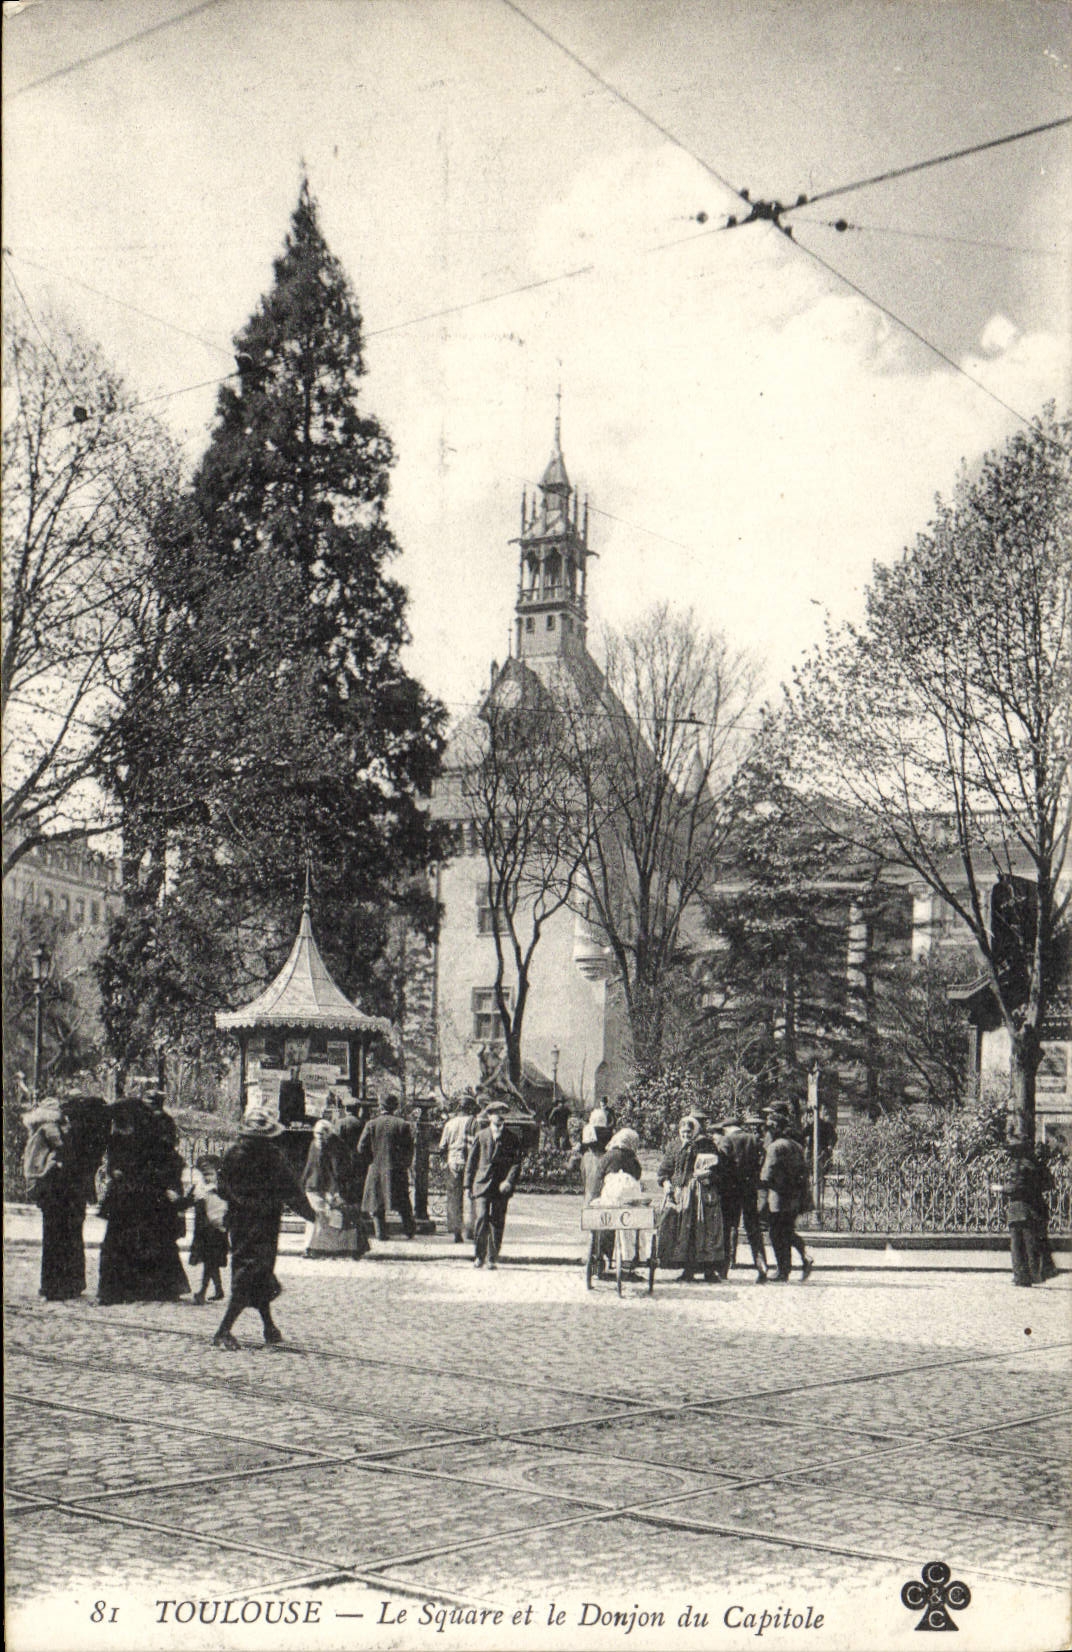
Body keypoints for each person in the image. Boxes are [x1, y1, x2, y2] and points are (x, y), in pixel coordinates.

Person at [213, 1107, 317, 1349]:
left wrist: (237, 1203)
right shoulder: (273, 1156)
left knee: (253, 1272)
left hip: (241, 1223)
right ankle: (223, 1331)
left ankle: (269, 1327)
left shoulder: (233, 1154)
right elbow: (291, 1190)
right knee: (253, 1272)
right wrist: (312, 1215)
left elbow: (221, 1187)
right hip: (265, 1222)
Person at [98, 1097, 190, 1305]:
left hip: (144, 1196)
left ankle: (139, 1288)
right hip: (130, 1196)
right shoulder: (119, 1139)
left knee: (142, 1241)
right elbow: (114, 1163)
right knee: (126, 1241)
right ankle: (123, 1289)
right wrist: (116, 1171)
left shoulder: (151, 1139)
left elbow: (169, 1163)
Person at [23, 1095, 109, 1302]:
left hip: (54, 1190)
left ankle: (54, 1285)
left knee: (54, 1236)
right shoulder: (56, 1129)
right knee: (68, 1235)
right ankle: (68, 1284)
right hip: (62, 1190)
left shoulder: (54, 1128)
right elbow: (64, 1151)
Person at [657, 1113, 725, 1283]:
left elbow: (718, 1168)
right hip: (682, 1193)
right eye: (683, 1132)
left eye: (689, 1132)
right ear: (679, 1132)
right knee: (684, 1231)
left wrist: (709, 1176)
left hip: (703, 1193)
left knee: (705, 1230)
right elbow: (665, 1170)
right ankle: (688, 1270)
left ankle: (709, 1270)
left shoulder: (706, 1145)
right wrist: (666, 1184)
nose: (686, 1135)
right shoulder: (673, 1147)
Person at [713, 1115, 769, 1284]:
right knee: (753, 1229)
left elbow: (721, 1164)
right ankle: (762, 1266)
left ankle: (724, 1268)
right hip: (749, 1189)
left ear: (727, 1128)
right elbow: (762, 1158)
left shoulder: (726, 1141)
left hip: (731, 1191)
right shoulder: (753, 1139)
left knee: (729, 1227)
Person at [465, 1102, 522, 1269]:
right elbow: (471, 1162)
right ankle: (479, 1256)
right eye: (494, 1113)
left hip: (500, 1187)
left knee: (497, 1221)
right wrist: (467, 1185)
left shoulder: (512, 1138)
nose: (498, 1116)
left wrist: (509, 1181)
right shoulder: (481, 1135)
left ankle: (492, 1258)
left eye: (501, 1113)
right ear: (489, 1116)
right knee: (481, 1218)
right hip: (481, 1184)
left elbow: (516, 1163)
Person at [759, 1115, 814, 1282]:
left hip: (778, 1197)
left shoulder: (774, 1147)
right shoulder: (796, 1146)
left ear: (774, 1129)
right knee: (787, 1232)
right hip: (795, 1197)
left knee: (776, 1234)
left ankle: (783, 1270)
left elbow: (767, 1175)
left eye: (768, 1130)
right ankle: (801, 1258)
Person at [591, 1126, 649, 1273]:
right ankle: (631, 1259)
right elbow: (637, 1177)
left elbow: (598, 1178)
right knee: (631, 1228)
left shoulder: (608, 1156)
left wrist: (595, 1198)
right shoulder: (633, 1160)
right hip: (627, 1206)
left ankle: (601, 1258)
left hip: (610, 1202)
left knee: (604, 1227)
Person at [1001, 1124, 1053, 1287]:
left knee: (1018, 1245)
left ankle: (1022, 1276)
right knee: (1031, 1244)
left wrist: (1000, 1188)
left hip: (1020, 1209)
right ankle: (1033, 1275)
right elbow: (1049, 1184)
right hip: (1035, 1209)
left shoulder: (1020, 1166)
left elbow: (1015, 1188)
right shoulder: (1036, 1165)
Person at [359, 1095, 415, 1240]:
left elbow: (361, 1148)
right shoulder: (403, 1124)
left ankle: (380, 1233)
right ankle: (409, 1231)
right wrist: (403, 1164)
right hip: (397, 1169)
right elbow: (409, 1150)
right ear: (395, 1107)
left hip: (376, 1168)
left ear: (380, 1106)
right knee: (403, 1201)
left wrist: (372, 1161)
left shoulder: (371, 1124)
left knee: (377, 1202)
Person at [188, 1155, 229, 1303]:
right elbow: (187, 1201)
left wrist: (225, 1223)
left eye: (210, 1174)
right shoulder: (198, 1188)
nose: (207, 1177)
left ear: (217, 1173)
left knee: (210, 1261)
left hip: (216, 1230)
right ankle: (219, 1290)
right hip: (202, 1231)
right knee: (210, 1261)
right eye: (204, 1174)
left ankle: (202, 1293)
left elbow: (229, 1208)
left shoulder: (221, 1189)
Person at [438, 1093, 477, 1242]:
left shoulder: (450, 1123)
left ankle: (456, 1231)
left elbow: (442, 1146)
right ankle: (470, 1230)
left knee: (454, 1197)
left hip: (453, 1162)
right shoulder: (474, 1122)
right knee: (470, 1196)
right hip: (469, 1163)